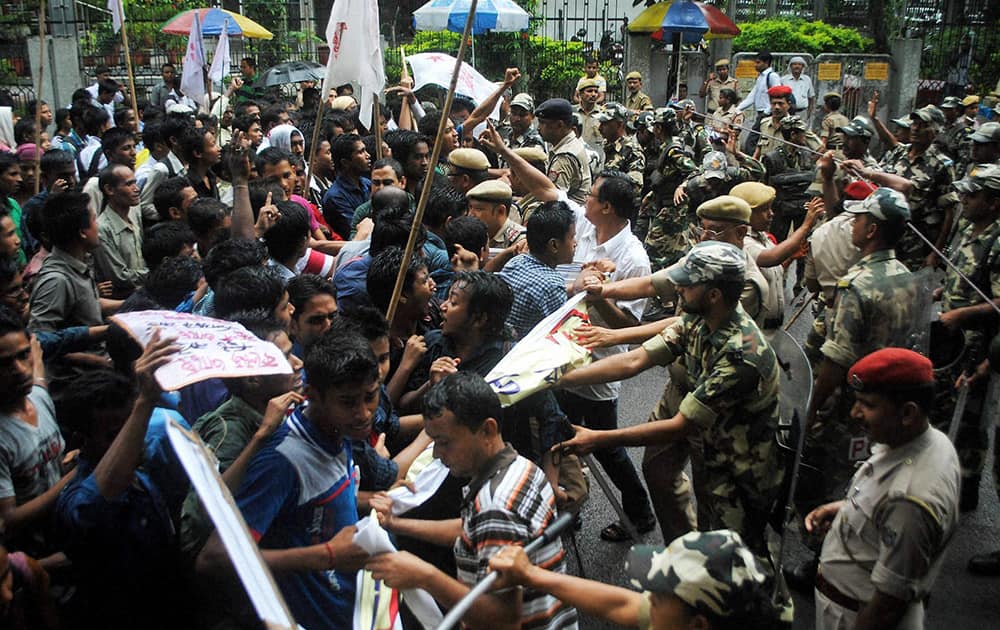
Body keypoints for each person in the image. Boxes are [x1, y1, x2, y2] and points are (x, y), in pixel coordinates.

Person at [555, 241, 783, 553]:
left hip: (735, 464)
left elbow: (680, 426)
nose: (677, 288)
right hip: (710, 437)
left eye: (687, 285)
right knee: (663, 478)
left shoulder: (741, 355)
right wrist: (556, 379)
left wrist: (599, 438)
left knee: (732, 552)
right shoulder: (702, 318)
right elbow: (635, 361)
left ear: (714, 294)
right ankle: (684, 562)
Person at [366, 372, 578, 630]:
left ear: (487, 429)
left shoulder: (496, 507)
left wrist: (424, 576)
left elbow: (503, 620)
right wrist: (395, 523)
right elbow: (469, 529)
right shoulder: (521, 468)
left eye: (444, 442)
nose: (436, 453)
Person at [196, 331, 373, 630]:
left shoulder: (337, 431)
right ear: (312, 396)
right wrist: (326, 556)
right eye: (348, 402)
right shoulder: (282, 461)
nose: (364, 413)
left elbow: (315, 507)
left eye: (370, 396)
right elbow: (215, 559)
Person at [807, 348, 960, 630]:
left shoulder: (910, 501)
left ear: (907, 412)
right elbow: (884, 504)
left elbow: (887, 606)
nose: (855, 413)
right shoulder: (923, 439)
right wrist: (846, 509)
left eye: (868, 405)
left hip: (854, 616)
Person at [489, 529, 786, 630]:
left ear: (697, 625)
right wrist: (531, 575)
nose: (648, 599)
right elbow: (619, 604)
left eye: (656, 598)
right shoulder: (700, 615)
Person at [932, 164, 1000, 515]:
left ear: (993, 202)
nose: (964, 200)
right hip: (952, 339)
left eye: (972, 196)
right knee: (944, 407)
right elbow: (964, 274)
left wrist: (961, 314)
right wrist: (944, 292)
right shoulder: (968, 228)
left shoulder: (998, 240)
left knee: (970, 418)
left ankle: (966, 486)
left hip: (977, 343)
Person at [498, 200, 576, 339]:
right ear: (554, 245)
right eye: (572, 237)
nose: (575, 243)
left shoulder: (516, 262)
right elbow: (557, 336)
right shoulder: (552, 286)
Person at [95, 165, 147, 297]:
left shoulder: (134, 214)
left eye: (135, 182)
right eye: (129, 184)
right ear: (109, 190)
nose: (136, 189)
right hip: (123, 301)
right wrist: (154, 273)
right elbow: (119, 276)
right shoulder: (102, 228)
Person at [535, 98, 592, 205]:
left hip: (569, 215)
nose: (538, 128)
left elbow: (553, 201)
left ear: (560, 125)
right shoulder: (571, 143)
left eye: (542, 123)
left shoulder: (564, 156)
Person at [322, 133, 371, 238]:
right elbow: (355, 230)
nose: (368, 155)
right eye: (361, 152)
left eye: (365, 150)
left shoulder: (367, 183)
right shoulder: (335, 197)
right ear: (345, 162)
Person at [736, 51, 782, 154]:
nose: (755, 65)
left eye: (758, 62)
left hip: (768, 114)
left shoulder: (772, 76)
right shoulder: (760, 77)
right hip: (761, 113)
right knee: (759, 140)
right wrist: (737, 109)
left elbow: (777, 96)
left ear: (766, 63)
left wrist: (767, 112)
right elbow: (752, 97)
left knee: (752, 140)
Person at [597, 102, 645, 192]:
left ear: (619, 125)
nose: (599, 128)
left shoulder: (632, 151)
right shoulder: (603, 145)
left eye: (605, 123)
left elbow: (634, 188)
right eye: (600, 123)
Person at [781, 55, 816, 120]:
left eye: (799, 64)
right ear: (790, 66)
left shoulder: (807, 79)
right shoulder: (783, 80)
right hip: (787, 113)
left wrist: (809, 113)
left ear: (803, 67)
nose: (797, 66)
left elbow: (811, 97)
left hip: (803, 113)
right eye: (794, 64)